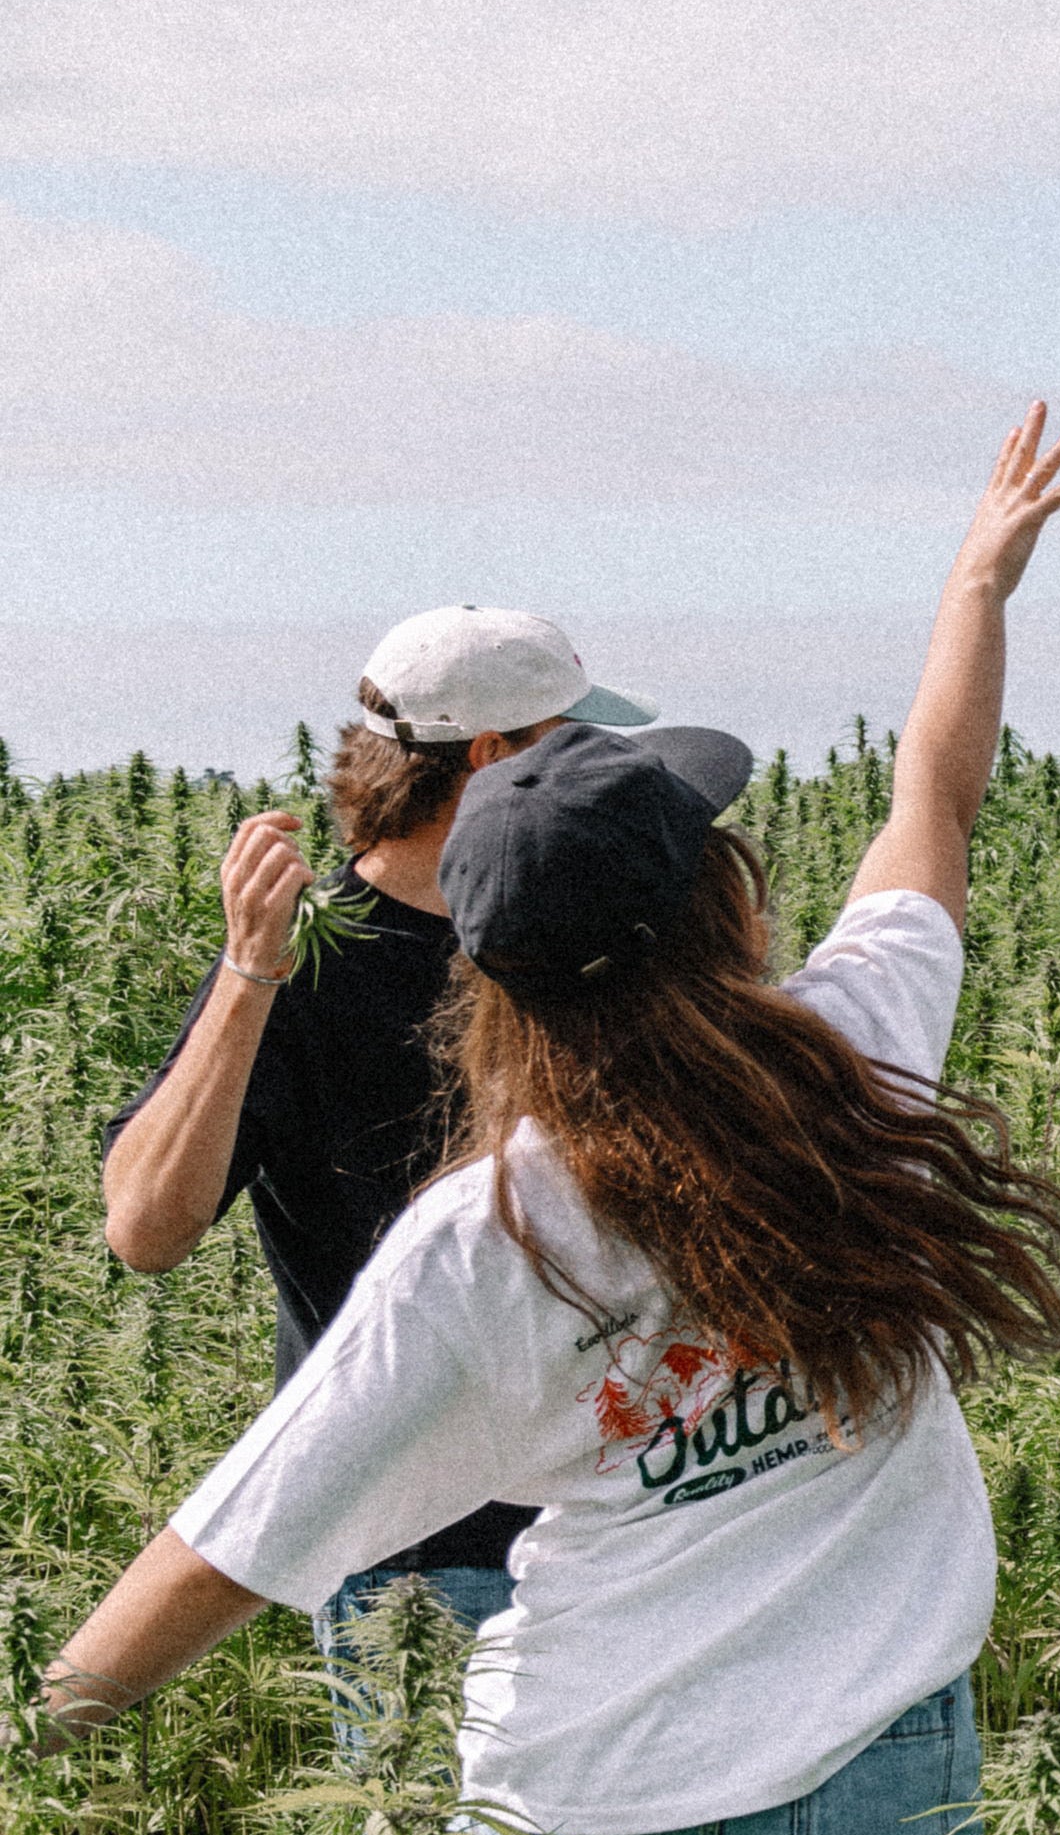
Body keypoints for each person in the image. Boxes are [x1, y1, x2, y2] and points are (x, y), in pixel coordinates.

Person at [38, 412, 1060, 1835]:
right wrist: (977, 581)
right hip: (863, 1763)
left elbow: (234, 1535)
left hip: (585, 1780)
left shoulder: (488, 1227)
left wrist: (53, 1708)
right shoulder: (856, 1056)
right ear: (714, 903)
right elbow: (935, 797)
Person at [102, 608, 661, 1714]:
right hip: (419, 1555)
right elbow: (146, 1231)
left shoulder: (588, 936)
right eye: (571, 740)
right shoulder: (305, 964)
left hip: (624, 1517)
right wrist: (248, 973)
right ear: (494, 760)